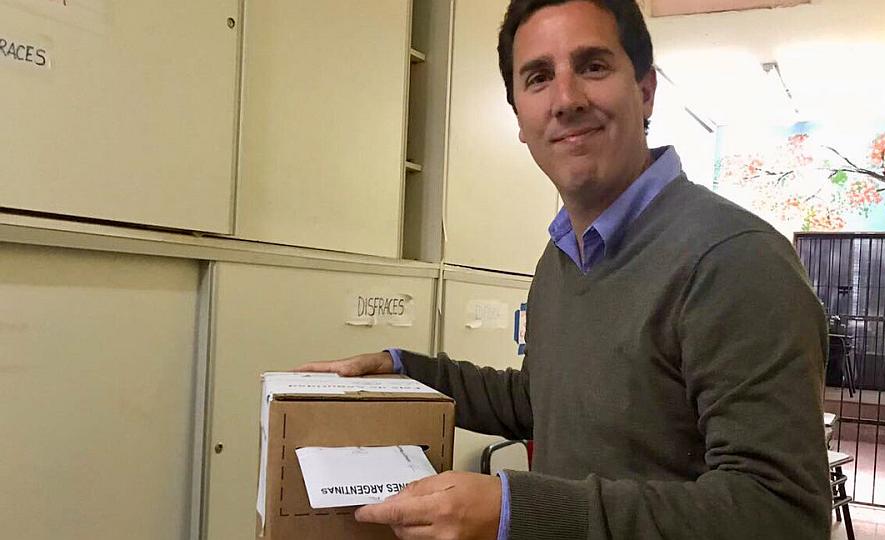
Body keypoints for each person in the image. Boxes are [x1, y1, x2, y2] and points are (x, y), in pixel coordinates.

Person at [297, 0, 832, 538]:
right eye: (538, 78)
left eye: (593, 66)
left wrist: (519, 511)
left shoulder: (736, 259)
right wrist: (404, 371)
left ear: (645, 90)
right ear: (519, 118)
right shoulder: (561, 258)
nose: (566, 99)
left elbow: (780, 512)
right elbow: (541, 400)